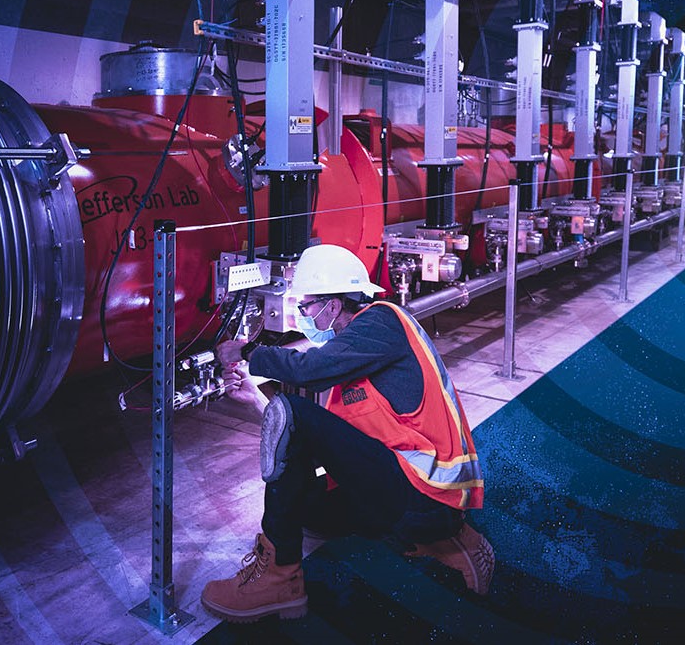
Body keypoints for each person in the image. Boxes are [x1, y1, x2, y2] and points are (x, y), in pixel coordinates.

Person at [202, 244, 493, 623]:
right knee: (304, 511)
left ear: (334, 305)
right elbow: (313, 443)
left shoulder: (382, 320)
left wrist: (248, 352)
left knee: (295, 415)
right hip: (406, 492)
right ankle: (445, 542)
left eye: (306, 306)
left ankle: (279, 578)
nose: (303, 315)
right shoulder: (351, 362)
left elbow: (307, 371)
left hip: (429, 496)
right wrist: (259, 401)